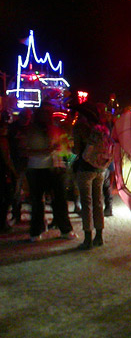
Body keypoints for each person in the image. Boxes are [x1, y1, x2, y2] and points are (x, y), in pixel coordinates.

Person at [25, 104, 76, 242]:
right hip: (37, 169)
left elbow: (68, 151)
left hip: (55, 169)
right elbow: (24, 150)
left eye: (49, 113)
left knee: (59, 200)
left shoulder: (57, 130)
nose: (48, 116)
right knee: (38, 202)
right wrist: (45, 151)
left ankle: (64, 229)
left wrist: (67, 166)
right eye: (46, 113)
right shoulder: (31, 131)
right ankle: (37, 230)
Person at [72, 102, 107, 250]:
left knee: (86, 203)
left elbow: (77, 149)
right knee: (98, 201)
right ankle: (99, 236)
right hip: (100, 168)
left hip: (85, 168)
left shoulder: (80, 127)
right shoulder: (102, 128)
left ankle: (87, 239)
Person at [8, 108, 32, 223]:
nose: (26, 120)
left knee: (31, 190)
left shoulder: (32, 128)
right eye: (25, 117)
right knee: (16, 190)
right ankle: (16, 214)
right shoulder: (13, 128)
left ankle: (32, 217)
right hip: (17, 162)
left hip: (29, 162)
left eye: (28, 117)